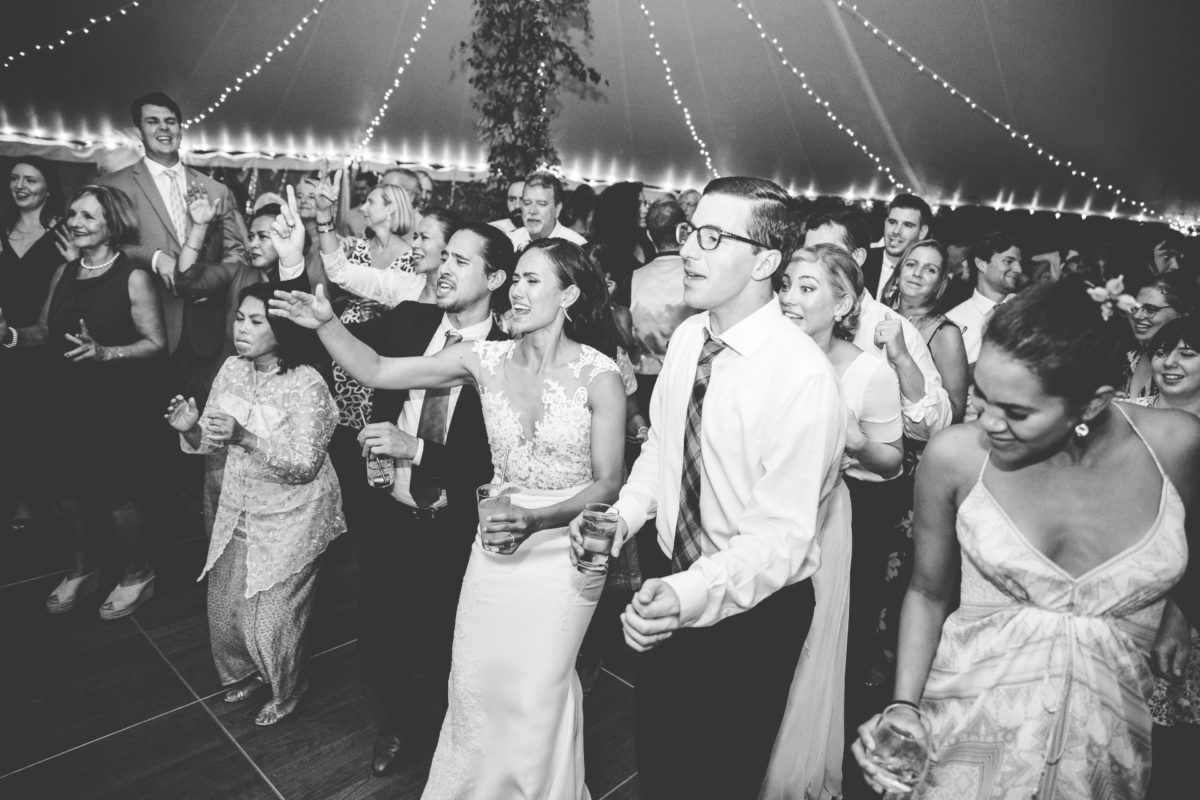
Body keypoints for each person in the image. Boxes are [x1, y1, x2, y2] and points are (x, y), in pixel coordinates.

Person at [271, 237, 625, 799]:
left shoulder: (600, 376)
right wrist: (324, 324)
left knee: (538, 686)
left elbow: (609, 481)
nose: (519, 289)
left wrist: (538, 521)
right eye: (518, 278)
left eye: (535, 280)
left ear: (570, 295)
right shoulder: (483, 359)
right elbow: (380, 367)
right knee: (474, 682)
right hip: (494, 548)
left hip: (564, 553)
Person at [851, 277, 1200, 800]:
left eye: (1016, 412)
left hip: (1109, 752)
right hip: (962, 738)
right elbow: (927, 591)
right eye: (984, 396)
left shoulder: (1176, 445)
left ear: (1091, 404)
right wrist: (903, 707)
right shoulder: (955, 457)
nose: (988, 422)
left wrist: (1176, 611)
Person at [583, 177, 846, 799]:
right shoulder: (686, 338)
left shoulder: (802, 377)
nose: (689, 251)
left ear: (765, 260)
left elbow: (781, 539)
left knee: (718, 778)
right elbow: (662, 450)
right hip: (666, 575)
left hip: (754, 613)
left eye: (711, 236)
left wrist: (689, 591)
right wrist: (621, 517)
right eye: (688, 233)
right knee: (662, 762)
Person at [340, 220, 511, 777]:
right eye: (446, 258)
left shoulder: (509, 355)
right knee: (377, 641)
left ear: (496, 278)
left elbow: (494, 462)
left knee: (447, 643)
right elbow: (348, 357)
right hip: (390, 511)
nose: (444, 270)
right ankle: (404, 722)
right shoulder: (412, 320)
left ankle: (449, 737)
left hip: (456, 522)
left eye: (463, 263)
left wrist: (416, 450)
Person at [166, 282, 343, 727]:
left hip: (294, 515)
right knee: (226, 610)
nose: (242, 329)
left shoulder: (308, 385)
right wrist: (189, 429)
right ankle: (247, 672)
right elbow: (209, 441)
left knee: (272, 619)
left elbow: (304, 466)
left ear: (282, 327)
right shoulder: (231, 369)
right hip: (238, 505)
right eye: (239, 318)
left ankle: (288, 688)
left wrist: (247, 437)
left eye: (256, 320)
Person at [766, 243, 902, 800]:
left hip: (825, 518)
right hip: (761, 514)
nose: (790, 298)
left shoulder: (869, 372)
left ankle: (788, 771)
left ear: (844, 302)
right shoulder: (764, 358)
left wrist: (856, 440)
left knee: (808, 646)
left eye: (807, 288)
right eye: (786, 285)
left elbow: (893, 462)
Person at [30, 185, 168, 617]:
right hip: (64, 396)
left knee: (116, 493)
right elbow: (43, 331)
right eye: (73, 214)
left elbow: (156, 343)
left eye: (88, 216)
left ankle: (136, 574)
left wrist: (107, 352)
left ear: (112, 223)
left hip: (115, 403)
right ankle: (81, 570)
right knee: (65, 490)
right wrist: (11, 336)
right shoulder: (64, 273)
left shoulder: (133, 277)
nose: (75, 222)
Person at [97, 91, 248, 403]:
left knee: (199, 425)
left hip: (204, 327)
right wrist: (153, 258)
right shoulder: (115, 186)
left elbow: (236, 251)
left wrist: (210, 281)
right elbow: (104, 246)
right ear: (139, 130)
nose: (163, 128)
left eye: (171, 122)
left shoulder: (215, 188)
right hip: (141, 325)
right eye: (153, 121)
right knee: (144, 423)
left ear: (181, 129)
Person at [1129, 315, 1200, 800]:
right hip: (1122, 589)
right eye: (1161, 352)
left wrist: (1179, 612)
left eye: (1187, 353)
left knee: (1171, 744)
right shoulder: (1123, 415)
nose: (1169, 363)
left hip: (1184, 596)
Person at [1, 156, 66, 530]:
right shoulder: (1, 230)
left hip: (46, 344)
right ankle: (15, 498)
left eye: (30, 179)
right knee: (7, 421)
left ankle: (42, 500)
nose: (20, 186)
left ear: (48, 188)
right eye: (14, 179)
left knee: (40, 422)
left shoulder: (61, 234)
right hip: (2, 339)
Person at [884, 239, 969, 423]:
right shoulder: (880, 317)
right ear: (898, 275)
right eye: (911, 264)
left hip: (916, 445)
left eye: (930, 269)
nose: (917, 273)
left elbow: (955, 411)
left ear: (939, 283)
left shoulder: (945, 334)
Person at [629, 199, 696, 416]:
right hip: (687, 378)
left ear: (649, 235)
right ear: (683, 231)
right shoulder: (699, 279)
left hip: (643, 380)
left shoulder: (632, 279)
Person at [945, 231, 1022, 368]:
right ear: (981, 264)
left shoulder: (1030, 311)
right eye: (1009, 261)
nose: (1018, 269)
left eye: (1019, 263)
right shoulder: (953, 321)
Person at [1123, 271, 1199, 399]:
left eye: (1151, 309)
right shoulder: (1130, 359)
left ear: (1183, 313)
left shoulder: (1192, 364)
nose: (1137, 316)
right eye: (1134, 308)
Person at [862, 194, 932, 301]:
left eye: (907, 225)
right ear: (885, 223)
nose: (896, 231)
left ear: (922, 232)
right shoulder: (861, 263)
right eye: (892, 222)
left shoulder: (929, 276)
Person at [590, 181, 654, 295]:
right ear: (623, 208)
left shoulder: (646, 241)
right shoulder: (603, 251)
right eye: (639, 204)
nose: (645, 210)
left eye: (645, 203)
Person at [508, 171, 587, 251]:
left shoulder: (577, 247)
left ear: (557, 209)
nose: (532, 211)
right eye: (527, 203)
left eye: (541, 204)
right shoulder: (511, 241)